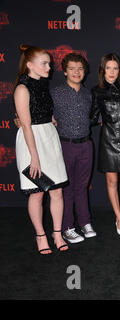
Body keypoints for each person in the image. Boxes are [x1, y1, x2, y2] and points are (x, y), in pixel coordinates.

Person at [14, 45, 69, 254]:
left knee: (57, 190)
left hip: (49, 137)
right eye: (44, 63)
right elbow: (26, 125)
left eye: (49, 63)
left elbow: (43, 111)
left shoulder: (43, 85)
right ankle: (40, 235)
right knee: (36, 194)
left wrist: (51, 119)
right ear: (29, 65)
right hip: (31, 142)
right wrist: (34, 157)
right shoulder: (22, 88)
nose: (49, 67)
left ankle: (57, 233)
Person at [91, 53, 120, 240]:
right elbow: (92, 118)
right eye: (108, 68)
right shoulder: (96, 91)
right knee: (112, 182)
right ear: (102, 70)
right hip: (108, 140)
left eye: (115, 68)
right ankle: (119, 218)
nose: (111, 72)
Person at [52, 53, 97, 243]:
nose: (76, 72)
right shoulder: (55, 93)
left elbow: (95, 117)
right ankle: (67, 227)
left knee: (82, 187)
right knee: (67, 188)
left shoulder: (88, 93)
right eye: (72, 68)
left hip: (86, 145)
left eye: (80, 69)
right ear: (64, 71)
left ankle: (85, 222)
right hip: (65, 145)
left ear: (84, 71)